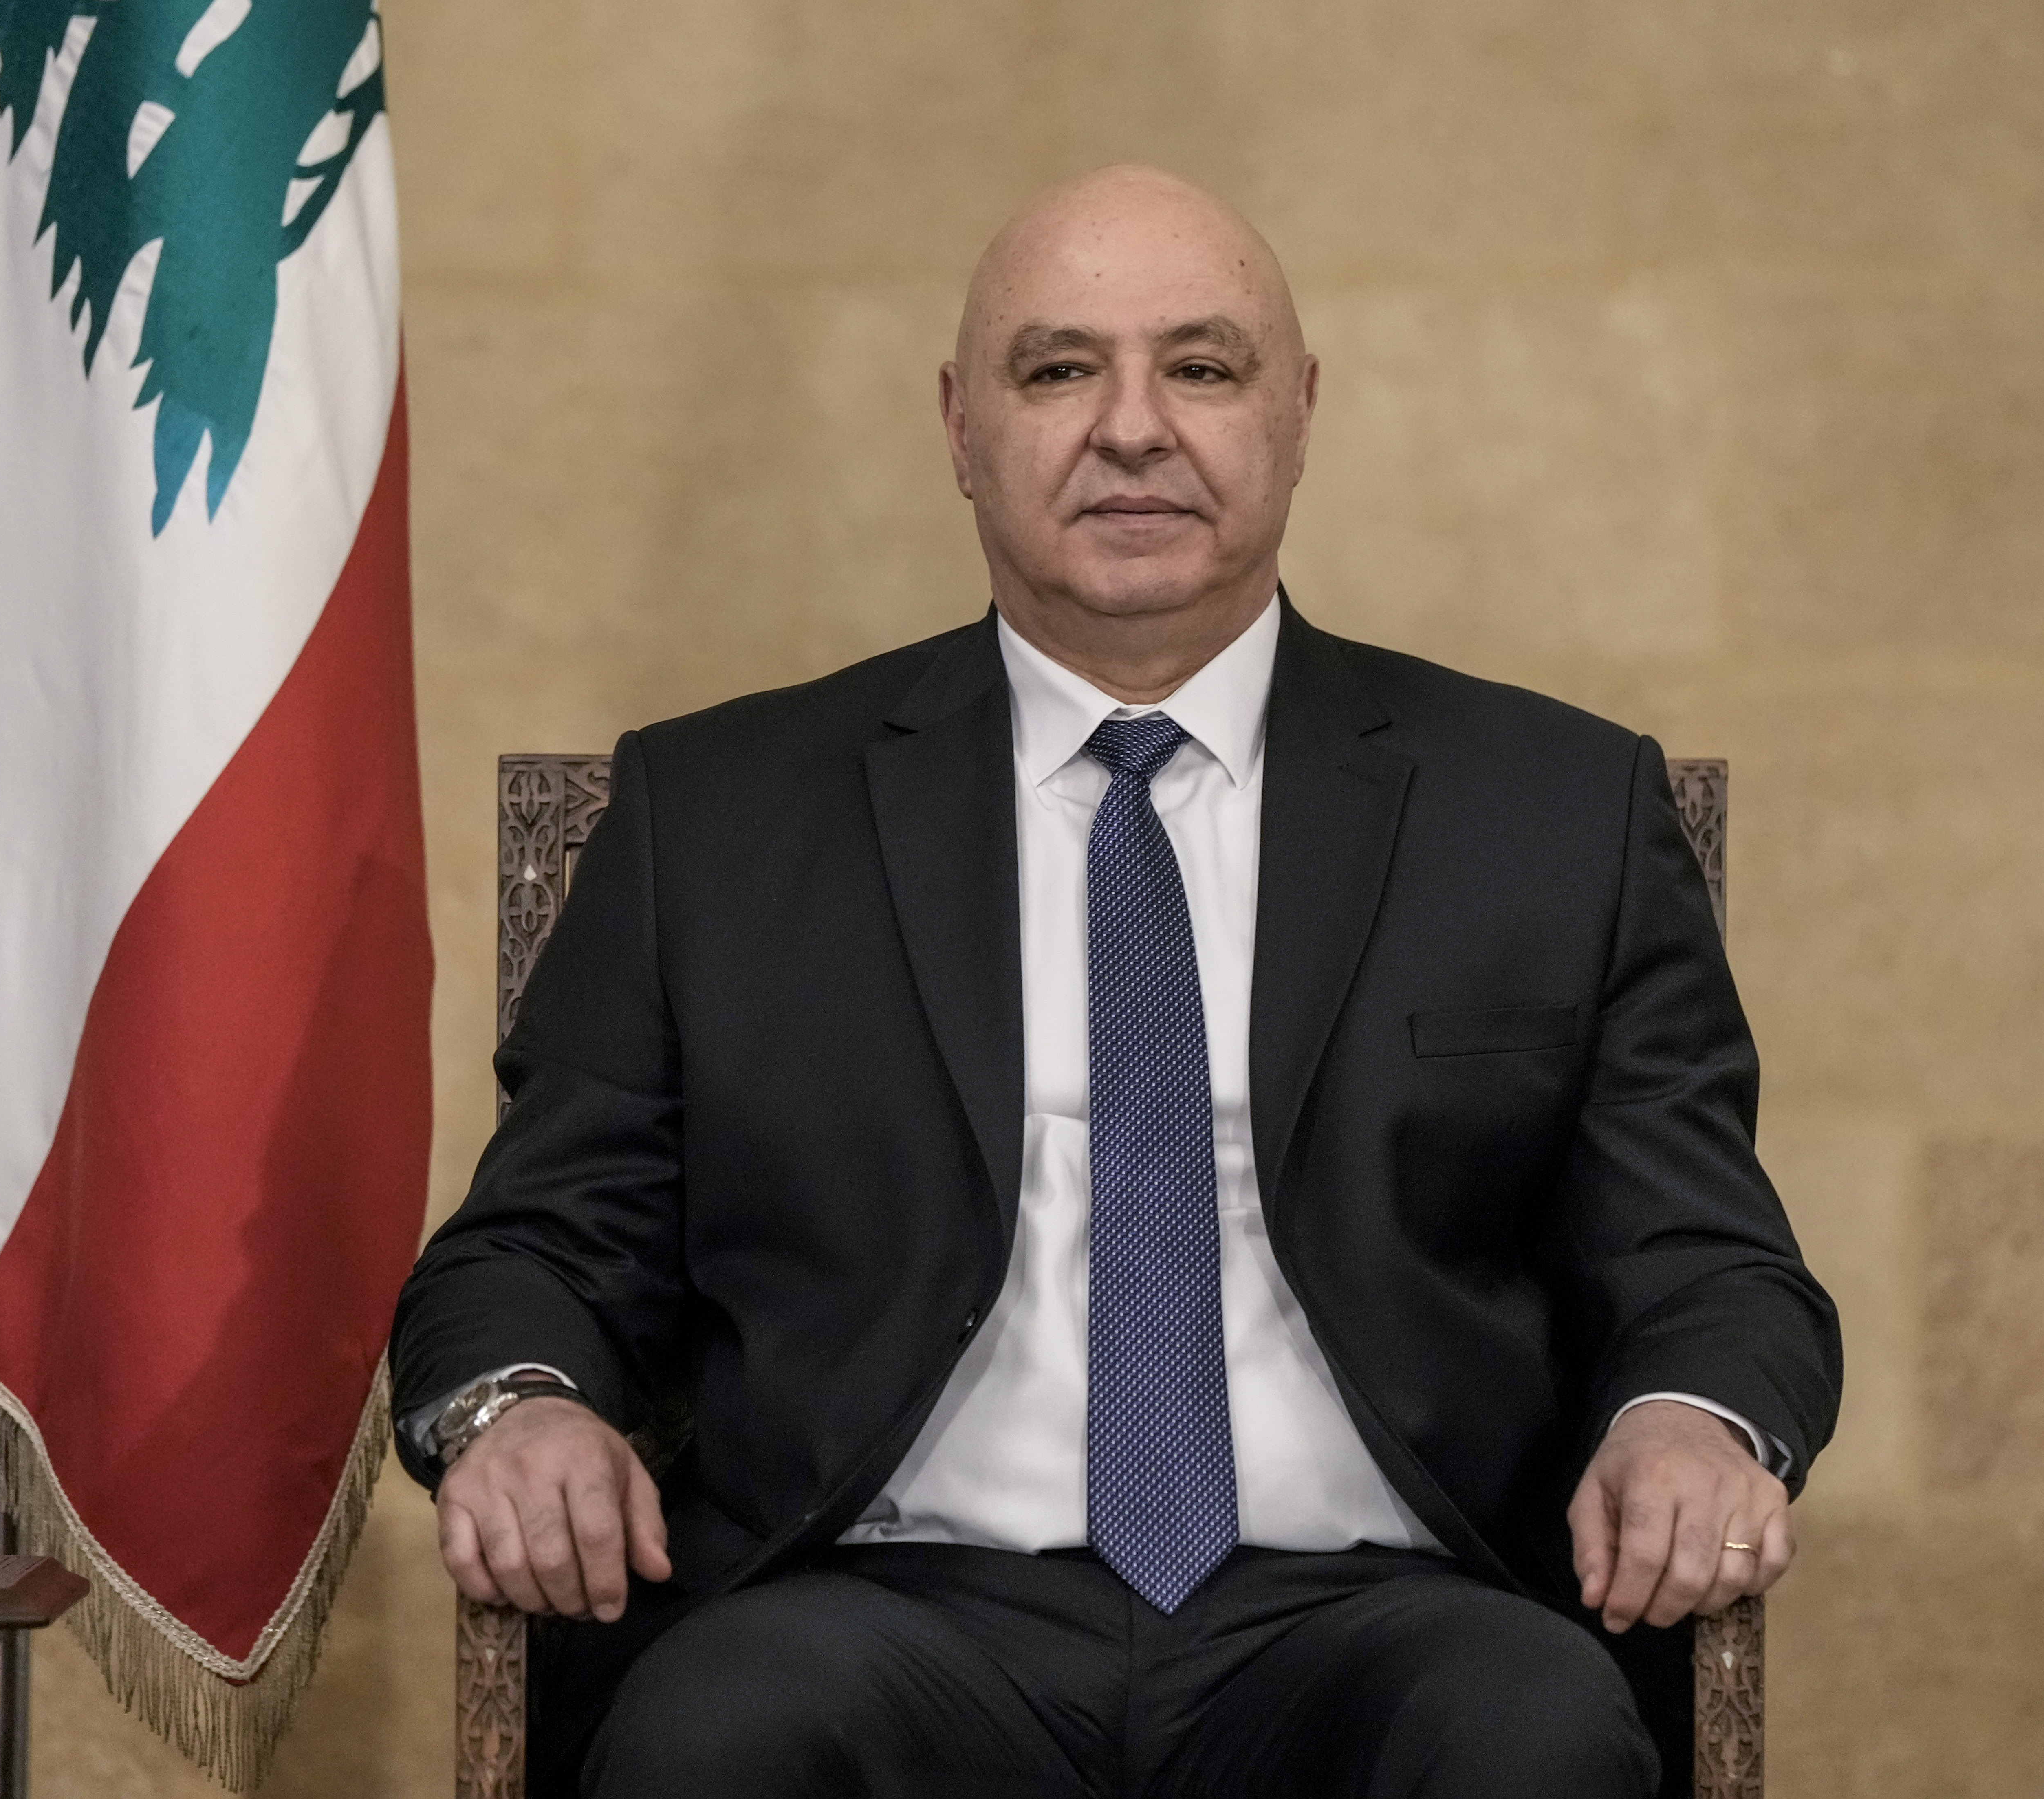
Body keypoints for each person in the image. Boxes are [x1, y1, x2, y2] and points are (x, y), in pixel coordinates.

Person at [392, 165, 1841, 1798]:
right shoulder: (714, 818)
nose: (1134, 426)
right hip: (873, 1608)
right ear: (958, 424)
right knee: (713, 1740)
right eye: (1059, 367)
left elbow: (1714, 1266)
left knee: (1535, 1740)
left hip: (1391, 1614)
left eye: (1203, 367)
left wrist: (1688, 1417)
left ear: (1301, 410)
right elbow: (530, 1251)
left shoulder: (1553, 812)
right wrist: (517, 1412)